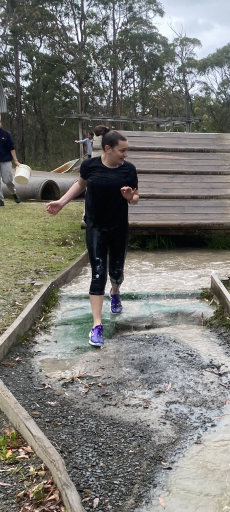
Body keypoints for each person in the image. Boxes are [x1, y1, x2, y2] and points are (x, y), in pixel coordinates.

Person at [46, 128, 139, 347]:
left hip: (118, 227)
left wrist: (130, 197)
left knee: (116, 272)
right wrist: (62, 202)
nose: (125, 154)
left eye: (126, 150)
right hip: (95, 226)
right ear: (108, 148)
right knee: (98, 273)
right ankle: (97, 325)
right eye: (122, 150)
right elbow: (80, 184)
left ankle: (115, 292)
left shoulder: (129, 170)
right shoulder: (90, 166)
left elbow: (135, 196)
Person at [0, 121, 21, 206]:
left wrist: (16, 160)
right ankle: (0, 199)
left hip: (6, 161)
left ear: (1, 123)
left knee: (7, 180)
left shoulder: (6, 134)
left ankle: (14, 193)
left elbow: (12, 148)